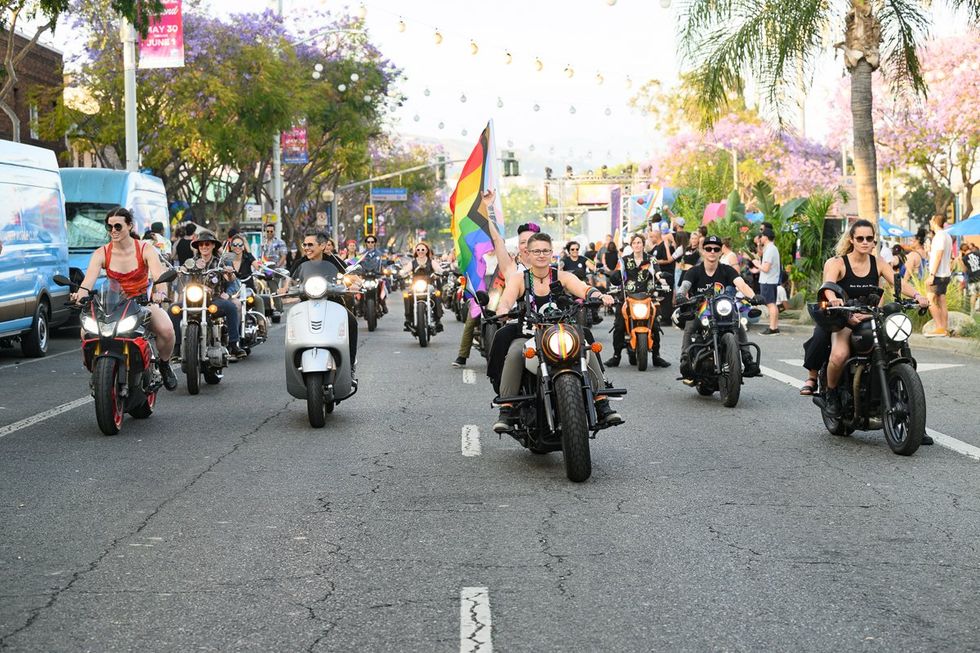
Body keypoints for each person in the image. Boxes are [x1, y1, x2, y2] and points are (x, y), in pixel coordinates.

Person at [491, 232, 620, 432]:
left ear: (552, 253)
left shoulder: (562, 276)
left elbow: (583, 288)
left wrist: (599, 295)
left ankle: (602, 403)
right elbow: (506, 299)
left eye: (545, 250)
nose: (541, 255)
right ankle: (506, 410)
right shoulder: (519, 279)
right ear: (528, 253)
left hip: (561, 332)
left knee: (585, 346)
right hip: (529, 335)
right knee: (516, 352)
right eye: (536, 251)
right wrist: (503, 310)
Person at [819, 220, 930, 422]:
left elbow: (898, 284)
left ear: (873, 241)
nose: (864, 242)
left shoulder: (878, 262)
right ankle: (831, 394)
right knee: (839, 354)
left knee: (896, 352)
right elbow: (828, 286)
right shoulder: (838, 262)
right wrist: (833, 298)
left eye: (869, 238)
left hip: (872, 316)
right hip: (847, 317)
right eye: (860, 238)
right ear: (851, 240)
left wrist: (917, 296)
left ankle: (913, 417)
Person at [73, 207, 178, 390]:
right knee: (85, 333)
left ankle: (164, 364)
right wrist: (79, 295)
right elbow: (87, 282)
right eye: (109, 226)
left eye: (118, 226)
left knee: (167, 330)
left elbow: (159, 277)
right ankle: (98, 372)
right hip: (111, 305)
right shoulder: (101, 253)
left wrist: (160, 293)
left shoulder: (146, 249)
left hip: (142, 302)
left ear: (129, 226)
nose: (113, 231)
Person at [676, 235, 762, 380]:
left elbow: (741, 284)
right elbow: (685, 286)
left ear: (721, 252)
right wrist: (680, 295)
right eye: (708, 249)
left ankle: (748, 360)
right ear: (703, 251)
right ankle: (685, 359)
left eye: (716, 249)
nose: (712, 252)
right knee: (690, 325)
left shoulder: (727, 270)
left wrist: (754, 297)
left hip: (721, 311)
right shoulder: (694, 271)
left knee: (738, 322)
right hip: (700, 311)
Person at [293, 233, 359, 369]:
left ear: (322, 246)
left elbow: (348, 274)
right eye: (304, 245)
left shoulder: (332, 260)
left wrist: (354, 281)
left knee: (351, 322)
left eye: (310, 244)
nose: (306, 248)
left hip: (333, 301)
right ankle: (295, 360)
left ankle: (350, 363)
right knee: (293, 322)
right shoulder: (301, 262)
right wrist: (284, 287)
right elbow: (288, 278)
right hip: (307, 303)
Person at [178, 230, 247, 360]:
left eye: (207, 244)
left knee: (232, 307)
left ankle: (233, 344)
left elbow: (232, 280)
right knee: (173, 310)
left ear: (213, 245)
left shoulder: (220, 262)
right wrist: (180, 270)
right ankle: (176, 348)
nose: (204, 247)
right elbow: (183, 271)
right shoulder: (191, 262)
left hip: (214, 300)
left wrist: (230, 272)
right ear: (198, 247)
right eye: (201, 244)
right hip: (193, 300)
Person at [605, 233, 671, 368]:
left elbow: (657, 273)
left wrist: (663, 282)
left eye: (639, 242)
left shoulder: (651, 259)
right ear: (631, 245)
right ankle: (616, 356)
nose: (637, 245)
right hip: (627, 296)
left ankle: (656, 356)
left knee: (655, 325)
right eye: (634, 243)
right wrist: (614, 278)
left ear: (643, 244)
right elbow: (618, 273)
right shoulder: (624, 260)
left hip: (647, 296)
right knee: (619, 325)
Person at [403, 241, 444, 332]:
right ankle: (408, 319)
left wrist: (442, 271)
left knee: (436, 294)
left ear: (426, 251)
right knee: (407, 295)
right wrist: (401, 273)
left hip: (429, 286)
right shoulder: (412, 262)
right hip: (415, 286)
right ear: (416, 251)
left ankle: (438, 320)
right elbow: (405, 270)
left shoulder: (431, 262)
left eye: (422, 249)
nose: (420, 251)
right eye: (418, 250)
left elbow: (438, 269)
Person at [925, 214, 953, 337]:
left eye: (931, 220)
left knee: (930, 300)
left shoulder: (939, 236)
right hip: (945, 273)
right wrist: (929, 251)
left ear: (935, 222)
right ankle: (944, 328)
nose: (930, 222)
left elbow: (939, 256)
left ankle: (940, 327)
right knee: (941, 300)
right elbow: (938, 255)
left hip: (938, 274)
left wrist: (932, 274)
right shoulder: (947, 236)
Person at [753, 227, 782, 335]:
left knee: (771, 304)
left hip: (768, 281)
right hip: (770, 280)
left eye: (762, 236)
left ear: (765, 237)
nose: (761, 238)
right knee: (771, 304)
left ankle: (773, 328)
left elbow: (765, 268)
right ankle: (774, 327)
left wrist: (757, 264)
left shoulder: (770, 249)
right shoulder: (771, 248)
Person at [961, 242, 980, 312]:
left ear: (962, 251)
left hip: (972, 278)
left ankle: (972, 312)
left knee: (973, 294)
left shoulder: (964, 258)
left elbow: (964, 270)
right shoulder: (977, 253)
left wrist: (960, 261)